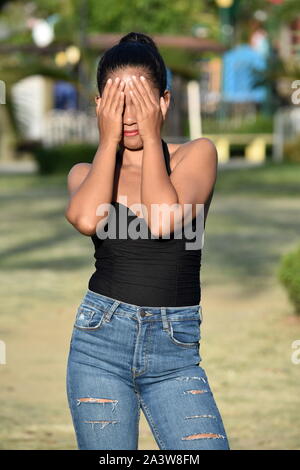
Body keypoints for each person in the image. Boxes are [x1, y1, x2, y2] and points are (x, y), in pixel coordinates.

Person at [64, 31, 230, 451]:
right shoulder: (85, 173)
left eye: (139, 103)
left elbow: (162, 219)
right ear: (100, 107)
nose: (129, 116)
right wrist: (108, 142)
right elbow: (86, 217)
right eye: (118, 105)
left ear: (164, 103)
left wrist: (153, 139)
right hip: (98, 346)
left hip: (175, 355)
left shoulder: (196, 155)